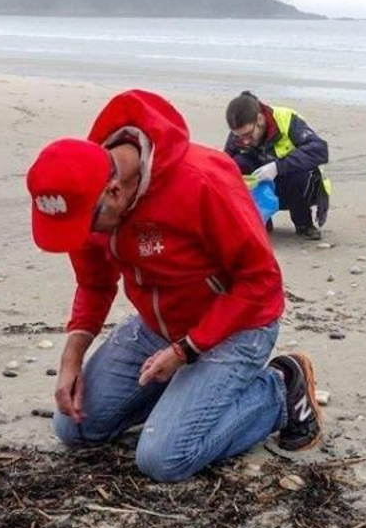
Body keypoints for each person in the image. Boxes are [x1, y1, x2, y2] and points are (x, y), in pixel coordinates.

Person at [27, 89, 323, 482]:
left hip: (236, 327)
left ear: (113, 192)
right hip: (159, 326)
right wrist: (70, 361)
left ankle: (279, 388)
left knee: (164, 459)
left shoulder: (202, 181)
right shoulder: (83, 196)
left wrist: (188, 349)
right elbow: (94, 284)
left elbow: (262, 281)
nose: (84, 236)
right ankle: (185, 400)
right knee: (75, 428)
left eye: (85, 226)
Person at [224, 91, 330, 241]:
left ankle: (304, 224)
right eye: (239, 136)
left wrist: (277, 167)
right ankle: (260, 219)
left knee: (298, 174)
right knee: (236, 165)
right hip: (262, 189)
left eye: (248, 134)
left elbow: (320, 150)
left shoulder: (286, 119)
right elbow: (224, 167)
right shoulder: (240, 132)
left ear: (259, 119)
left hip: (298, 186)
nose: (245, 141)